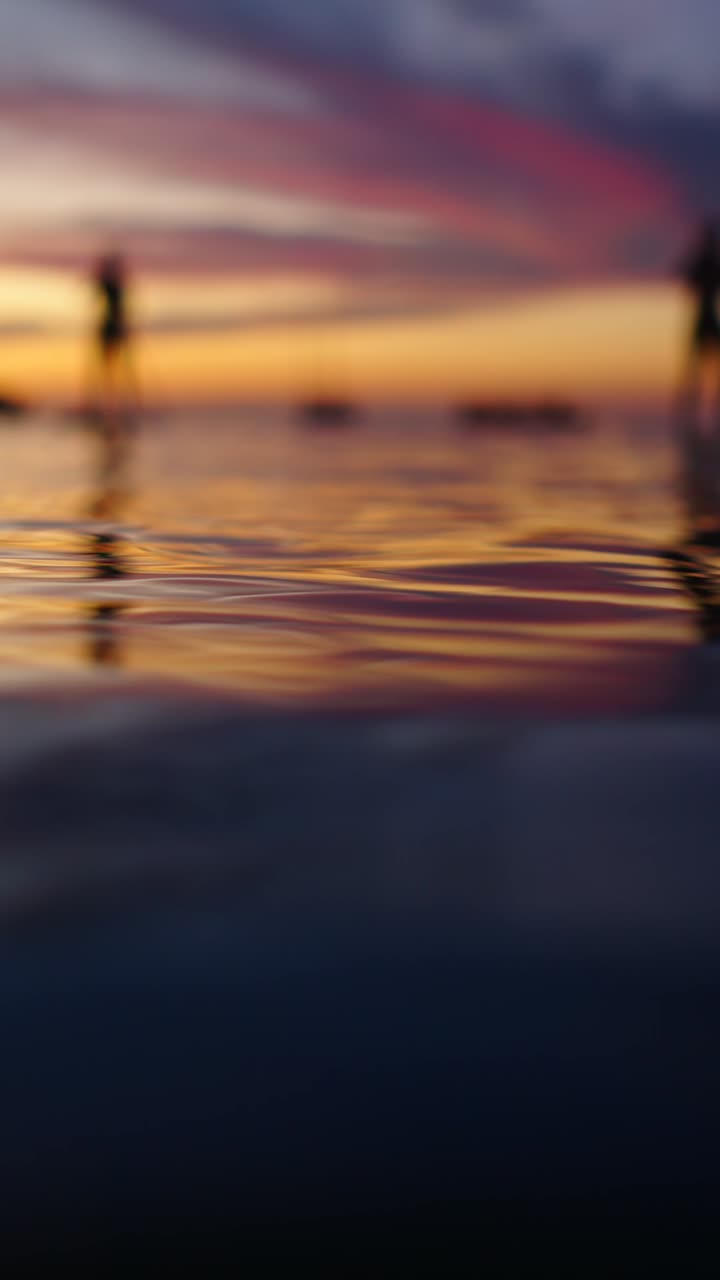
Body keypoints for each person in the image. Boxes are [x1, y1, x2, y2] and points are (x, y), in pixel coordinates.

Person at [88, 251, 139, 422]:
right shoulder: (113, 287)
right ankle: (109, 409)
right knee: (110, 370)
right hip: (111, 329)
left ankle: (122, 408)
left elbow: (99, 302)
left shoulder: (112, 287)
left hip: (112, 329)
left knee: (116, 370)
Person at [681, 221, 720, 402]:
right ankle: (690, 412)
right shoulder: (706, 263)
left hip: (708, 317)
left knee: (701, 368)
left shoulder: (711, 264)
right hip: (704, 317)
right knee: (694, 369)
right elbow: (686, 278)